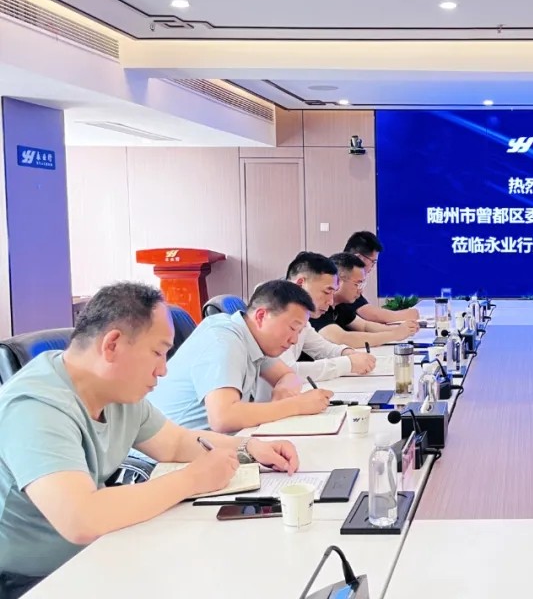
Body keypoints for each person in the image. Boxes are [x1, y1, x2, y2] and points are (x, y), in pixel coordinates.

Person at [0, 283, 300, 596]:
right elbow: (81, 518)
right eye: (158, 352)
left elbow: (175, 443)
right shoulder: (35, 406)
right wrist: (192, 480)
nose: (163, 370)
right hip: (35, 579)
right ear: (112, 345)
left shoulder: (116, 389)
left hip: (103, 549)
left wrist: (250, 448)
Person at [147, 280, 333, 434]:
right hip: (163, 458)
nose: (294, 340)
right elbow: (223, 418)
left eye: (299, 332)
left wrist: (284, 390)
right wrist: (296, 405)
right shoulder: (223, 340)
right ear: (261, 316)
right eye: (293, 328)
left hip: (207, 445)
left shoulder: (252, 338)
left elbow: (288, 375)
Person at [280, 252, 377, 382]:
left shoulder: (302, 319)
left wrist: (347, 353)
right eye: (327, 292)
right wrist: (348, 364)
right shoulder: (275, 314)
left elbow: (322, 348)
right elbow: (286, 371)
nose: (331, 301)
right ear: (300, 284)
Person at [311, 253, 418, 348]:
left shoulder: (341, 304)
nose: (360, 290)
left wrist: (401, 329)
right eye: (357, 284)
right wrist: (394, 335)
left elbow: (365, 326)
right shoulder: (318, 306)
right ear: (338, 281)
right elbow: (342, 338)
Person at [342, 231, 421, 324]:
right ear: (359, 258)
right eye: (373, 262)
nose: (373, 267)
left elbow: (364, 323)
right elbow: (369, 314)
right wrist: (404, 315)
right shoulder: (341, 278)